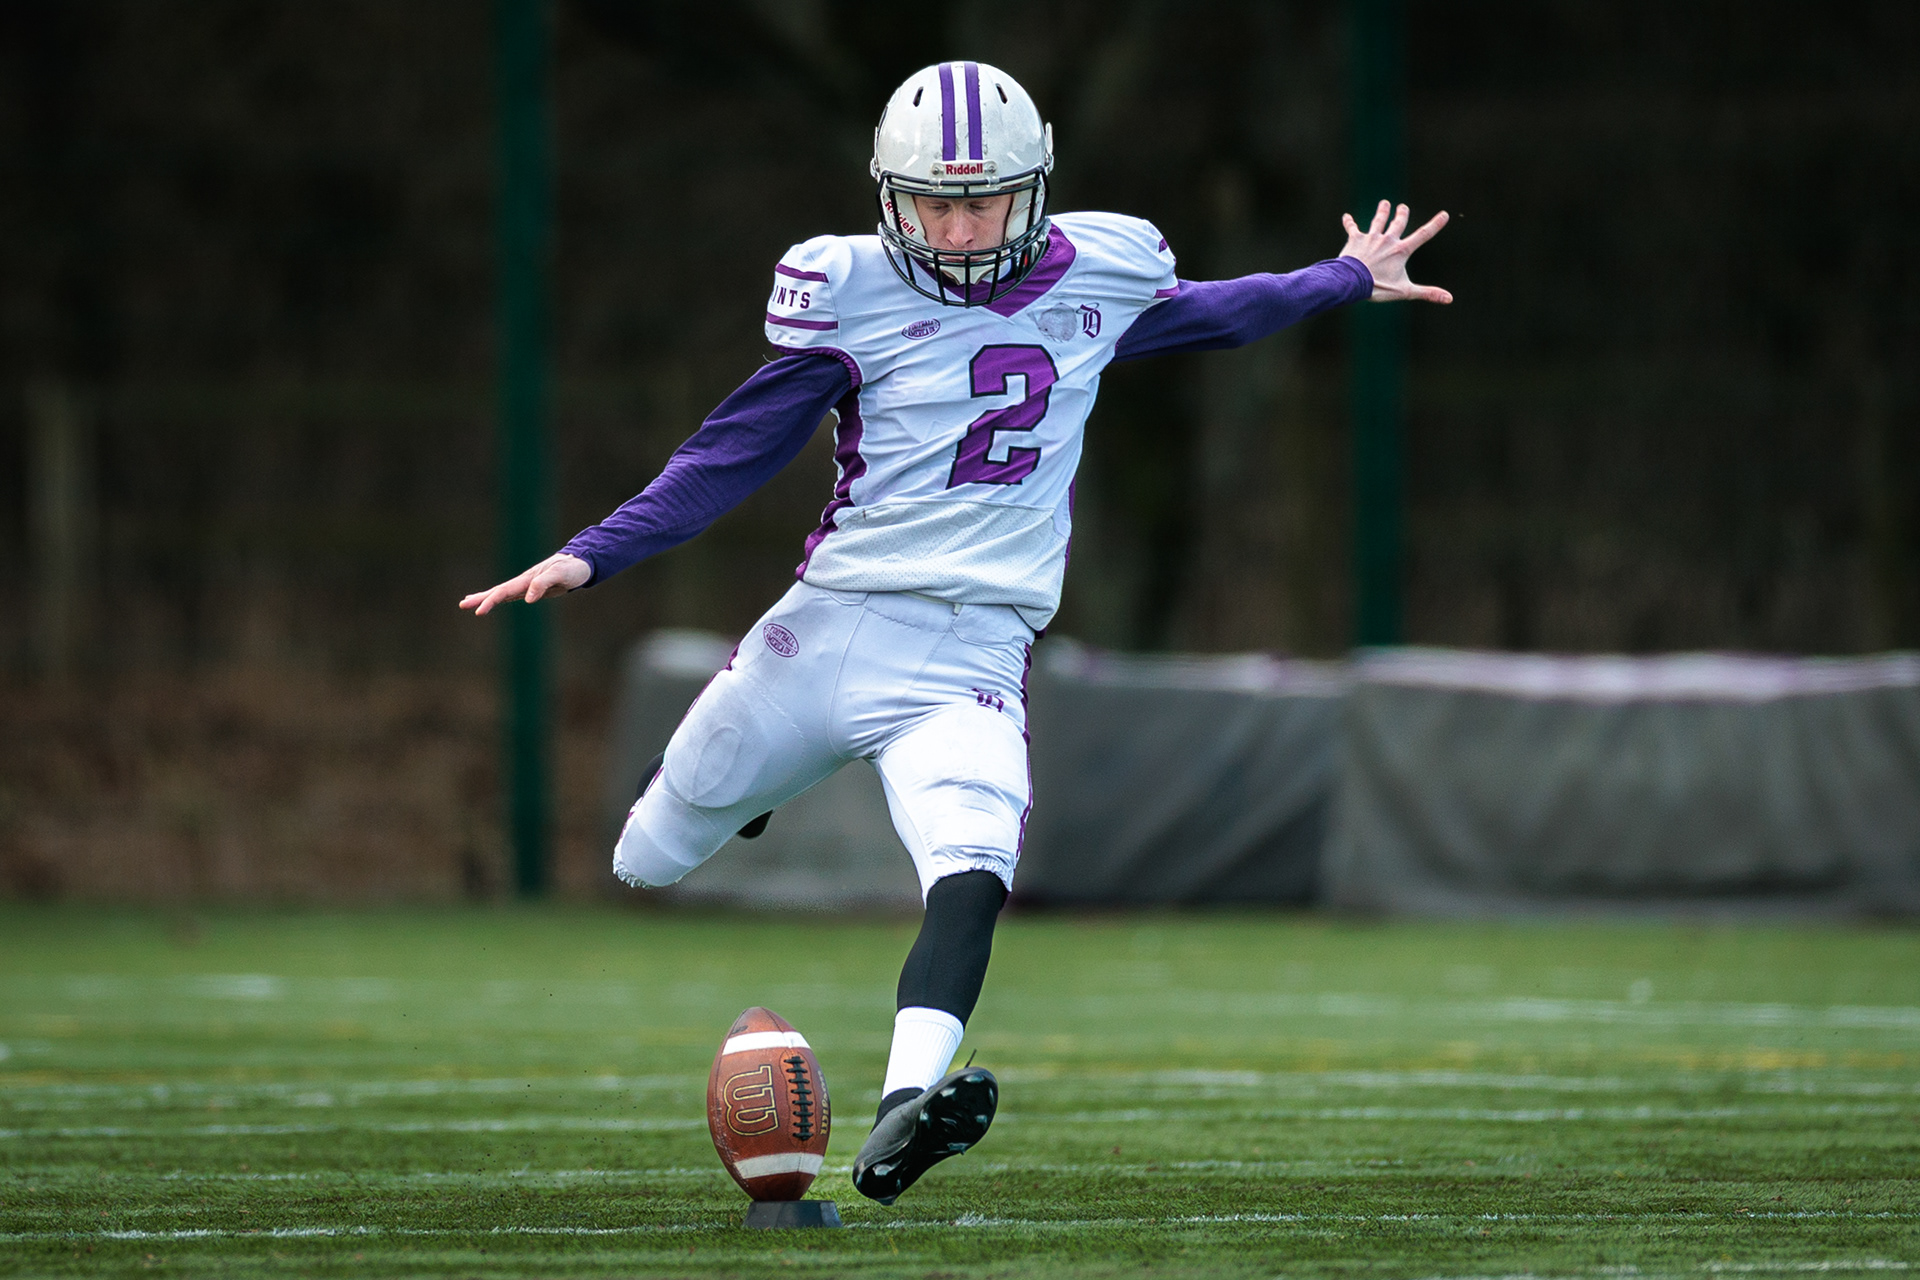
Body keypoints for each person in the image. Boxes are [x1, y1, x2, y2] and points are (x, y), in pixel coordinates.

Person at [461, 61, 1450, 1204]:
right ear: (891, 196)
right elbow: (732, 449)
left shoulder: (1101, 274)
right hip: (832, 627)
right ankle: (749, 787)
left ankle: (902, 1112)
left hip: (975, 650)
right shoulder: (848, 291)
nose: (962, 228)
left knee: (974, 864)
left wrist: (1345, 276)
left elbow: (1221, 315)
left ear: (1036, 190)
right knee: (648, 854)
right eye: (936, 202)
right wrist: (595, 550)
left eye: (986, 201)